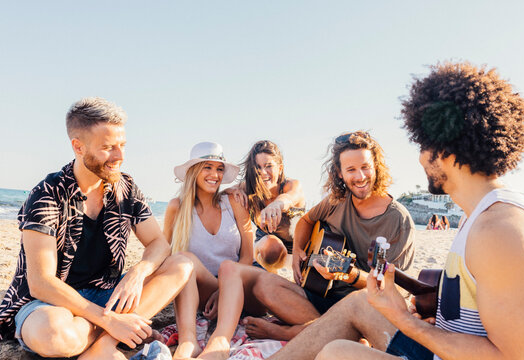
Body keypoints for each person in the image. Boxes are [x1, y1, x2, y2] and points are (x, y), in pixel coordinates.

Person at [268, 62, 524, 360]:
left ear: (444, 150)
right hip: (447, 345)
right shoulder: (479, 216)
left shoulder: (501, 229)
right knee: (359, 304)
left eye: (423, 144)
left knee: (336, 354)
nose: (420, 157)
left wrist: (407, 321)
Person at [0, 97, 193, 360]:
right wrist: (109, 321)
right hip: (52, 304)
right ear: (78, 147)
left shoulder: (126, 189)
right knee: (55, 335)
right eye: (108, 147)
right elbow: (41, 284)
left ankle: (101, 349)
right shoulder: (47, 194)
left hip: (107, 294)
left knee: (182, 263)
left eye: (122, 145)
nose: (120, 156)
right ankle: (117, 336)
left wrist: (139, 271)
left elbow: (159, 244)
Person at [243, 131, 415, 341]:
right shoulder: (336, 201)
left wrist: (351, 275)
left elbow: (394, 289)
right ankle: (328, 331)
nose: (360, 177)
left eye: (365, 167)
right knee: (263, 285)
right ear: (340, 173)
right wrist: (297, 252)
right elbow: (306, 221)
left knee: (361, 310)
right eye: (351, 169)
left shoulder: (398, 219)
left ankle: (293, 332)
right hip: (320, 295)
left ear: (376, 166)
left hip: (364, 305)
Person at [163, 142, 261, 360]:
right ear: (194, 171)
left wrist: (225, 290)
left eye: (219, 169)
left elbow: (247, 256)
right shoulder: (176, 207)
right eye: (207, 167)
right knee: (183, 261)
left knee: (201, 263)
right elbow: (163, 253)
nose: (215, 175)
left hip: (238, 283)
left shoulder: (233, 201)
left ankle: (213, 344)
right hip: (202, 291)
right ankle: (188, 343)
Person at [227, 140, 305, 271]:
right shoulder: (249, 188)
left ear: (280, 168)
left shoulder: (292, 185)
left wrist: (277, 205)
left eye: (268, 166)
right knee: (272, 245)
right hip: (265, 249)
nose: (263, 172)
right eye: (258, 167)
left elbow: (289, 198)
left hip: (298, 247)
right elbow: (223, 193)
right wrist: (233, 191)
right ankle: (261, 271)